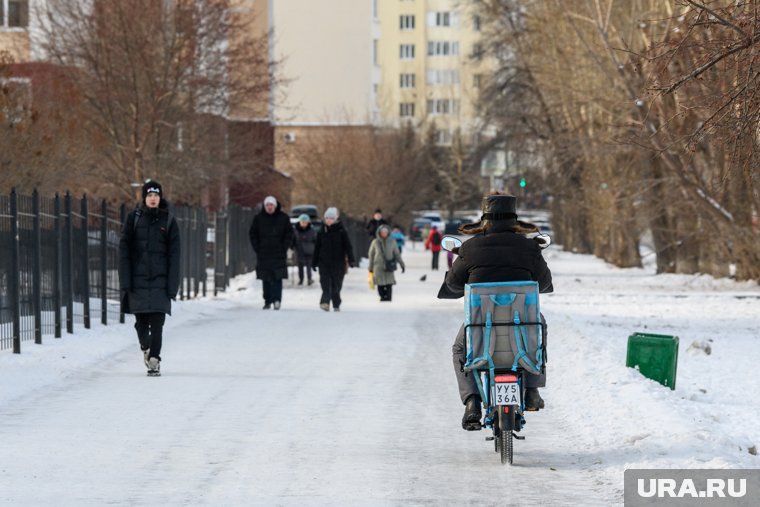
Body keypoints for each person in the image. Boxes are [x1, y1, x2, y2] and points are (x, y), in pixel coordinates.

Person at [438, 193, 553, 430]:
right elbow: (544, 283)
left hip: (481, 325)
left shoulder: (469, 248)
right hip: (522, 324)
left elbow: (453, 283)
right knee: (539, 328)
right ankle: (532, 389)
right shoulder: (530, 247)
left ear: (484, 220)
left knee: (460, 349)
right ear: (514, 221)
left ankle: (472, 402)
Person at [119, 180, 181, 376]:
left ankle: (154, 359)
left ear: (160, 197)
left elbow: (175, 256)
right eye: (149, 195)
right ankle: (145, 346)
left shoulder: (169, 221)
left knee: (157, 323)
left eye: (156, 195)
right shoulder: (133, 219)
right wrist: (125, 281)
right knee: (141, 323)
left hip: (160, 281)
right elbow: (124, 251)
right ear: (144, 198)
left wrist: (172, 286)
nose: (153, 198)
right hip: (137, 281)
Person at [249, 195, 293, 310]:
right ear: (265, 206)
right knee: (266, 278)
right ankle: (267, 300)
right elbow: (253, 234)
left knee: (277, 277)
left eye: (271, 205)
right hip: (264, 253)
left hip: (278, 253)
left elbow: (289, 233)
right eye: (267, 205)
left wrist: (284, 247)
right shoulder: (258, 219)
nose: (269, 207)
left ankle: (277, 300)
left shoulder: (283, 218)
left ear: (275, 206)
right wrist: (257, 248)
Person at [312, 207, 356, 311]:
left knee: (336, 285)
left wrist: (351, 259)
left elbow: (348, 246)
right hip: (324, 262)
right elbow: (317, 247)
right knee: (325, 283)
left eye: (331, 218)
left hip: (338, 263)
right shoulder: (321, 231)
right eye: (327, 218)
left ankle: (336, 303)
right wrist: (314, 262)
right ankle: (325, 302)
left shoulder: (341, 231)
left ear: (335, 219)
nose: (328, 220)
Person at [368, 224, 405, 301]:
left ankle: (388, 297)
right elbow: (371, 255)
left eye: (385, 232)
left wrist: (402, 264)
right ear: (379, 233)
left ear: (388, 233)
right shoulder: (375, 242)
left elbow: (397, 254)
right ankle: (382, 296)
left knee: (389, 282)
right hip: (378, 266)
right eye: (382, 232)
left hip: (389, 265)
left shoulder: (392, 242)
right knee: (379, 282)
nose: (384, 233)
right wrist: (370, 267)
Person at [292, 213, 317, 286]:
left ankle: (309, 279)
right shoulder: (296, 230)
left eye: (305, 222)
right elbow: (293, 239)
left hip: (309, 250)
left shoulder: (311, 230)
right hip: (299, 250)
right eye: (302, 222)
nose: (304, 223)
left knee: (309, 265)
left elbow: (315, 240)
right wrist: (291, 245)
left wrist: (315, 247)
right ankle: (301, 279)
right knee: (300, 266)